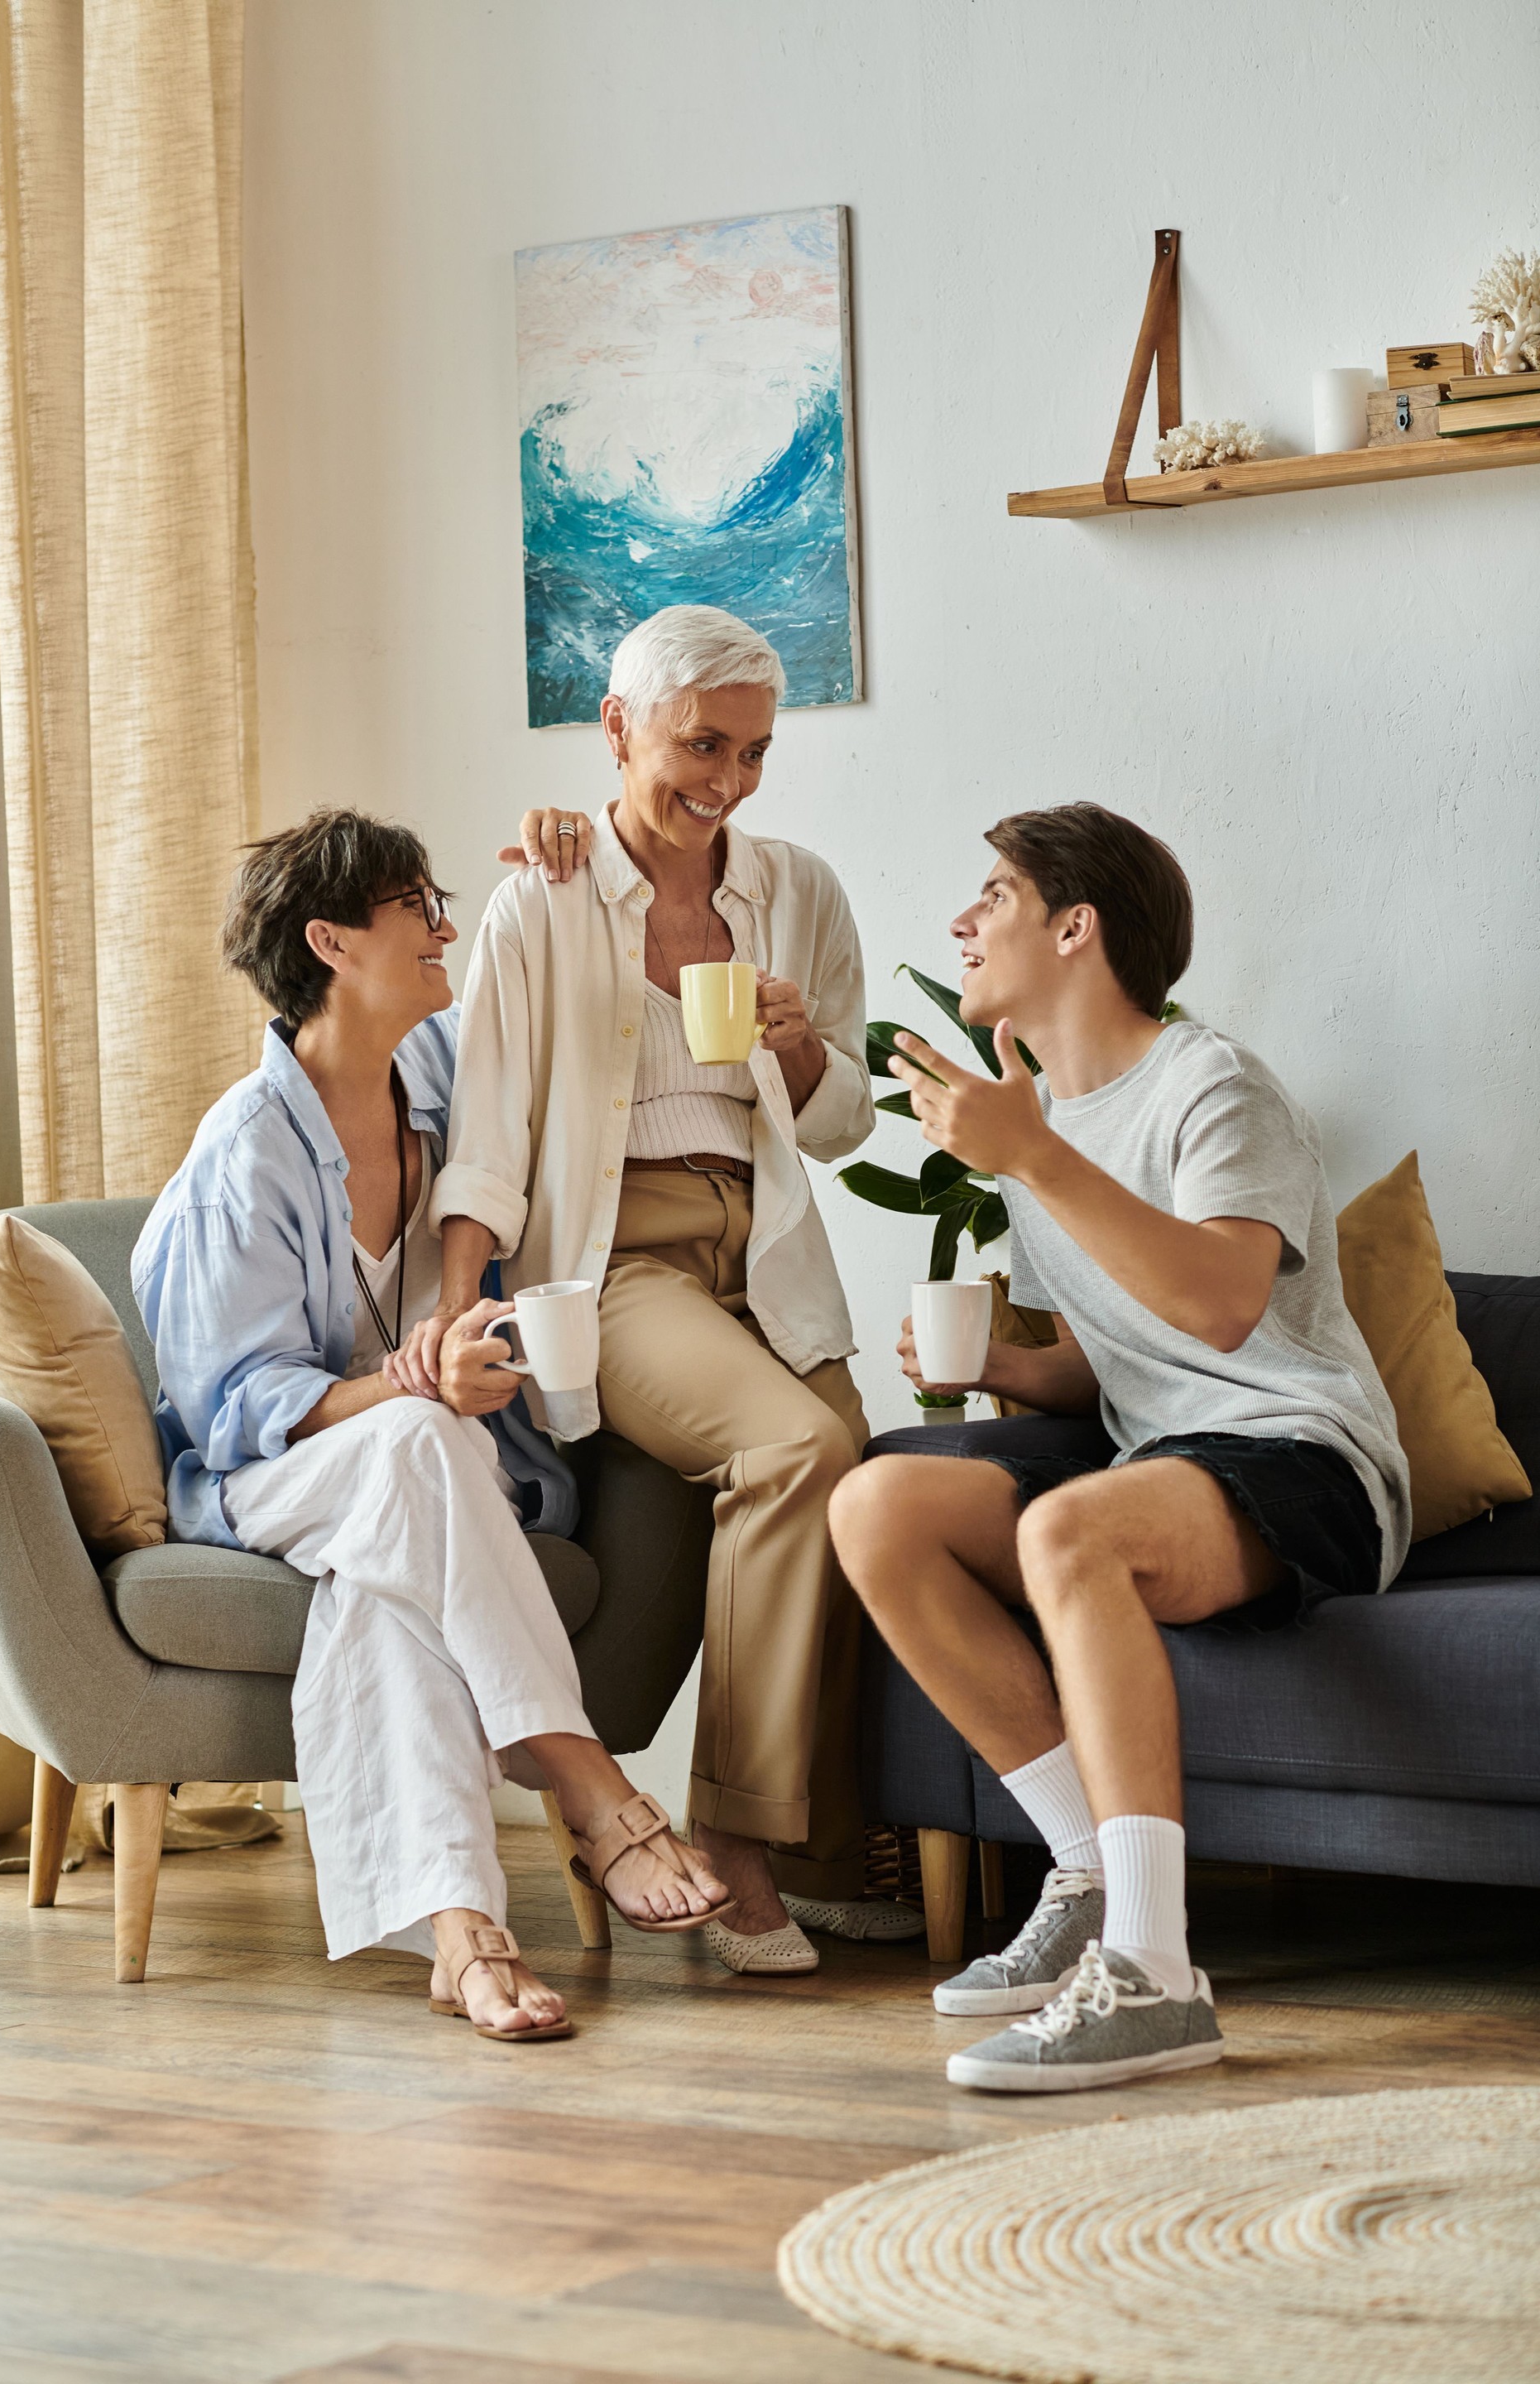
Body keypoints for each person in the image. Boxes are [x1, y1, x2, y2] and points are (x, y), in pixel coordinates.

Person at [828, 802, 1408, 2090]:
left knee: (1066, 1528)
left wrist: (1031, 1156)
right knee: (878, 1507)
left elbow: (1219, 1302)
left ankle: (1156, 1973)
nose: (961, 923)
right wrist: (1007, 1370)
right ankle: (1087, 1873)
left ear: (1075, 927)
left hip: (1306, 1459)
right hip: (1172, 1463)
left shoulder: (1213, 1085)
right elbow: (1122, 1352)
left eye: (993, 896)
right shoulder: (1047, 1131)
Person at [134, 810, 730, 2042]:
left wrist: (569, 860)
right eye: (419, 908)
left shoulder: (445, 1076)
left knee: (387, 1595)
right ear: (333, 943)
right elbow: (237, 1408)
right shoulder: (241, 1158)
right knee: (413, 1445)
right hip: (277, 1474)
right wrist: (410, 1386)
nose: (446, 928)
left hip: (432, 1475)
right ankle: (581, 1774)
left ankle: (463, 1936)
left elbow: (564, 1006)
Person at [394, 605, 924, 1973]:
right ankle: (738, 1841)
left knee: (861, 1476)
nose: (730, 782)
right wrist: (453, 1317)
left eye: (753, 752)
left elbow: (841, 1123)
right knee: (793, 1442)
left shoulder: (797, 888)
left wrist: (805, 1056)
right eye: (701, 745)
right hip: (612, 1259)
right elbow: (490, 1137)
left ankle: (829, 1849)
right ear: (617, 729)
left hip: (764, 1245)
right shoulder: (546, 896)